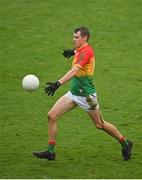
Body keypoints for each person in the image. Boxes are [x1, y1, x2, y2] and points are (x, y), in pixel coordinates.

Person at [33, 26, 133, 161]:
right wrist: (73, 52)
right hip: (73, 93)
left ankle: (125, 143)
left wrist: (57, 84)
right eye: (73, 37)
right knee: (51, 115)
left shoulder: (86, 52)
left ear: (85, 37)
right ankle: (50, 152)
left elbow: (74, 71)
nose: (73, 39)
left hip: (86, 96)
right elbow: (79, 52)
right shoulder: (80, 50)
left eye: (76, 37)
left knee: (100, 124)